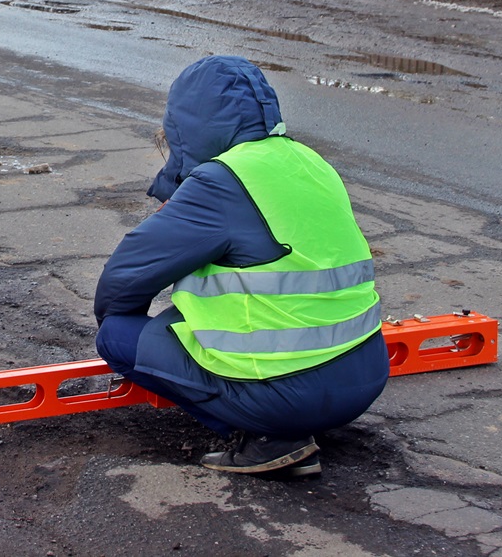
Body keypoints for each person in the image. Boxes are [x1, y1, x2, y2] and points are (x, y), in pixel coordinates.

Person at [94, 56, 389, 477]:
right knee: (196, 314)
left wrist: (123, 325)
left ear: (185, 125)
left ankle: (271, 439)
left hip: (291, 397)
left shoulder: (222, 180)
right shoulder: (307, 161)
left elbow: (126, 276)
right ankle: (287, 421)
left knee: (117, 335)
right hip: (366, 374)